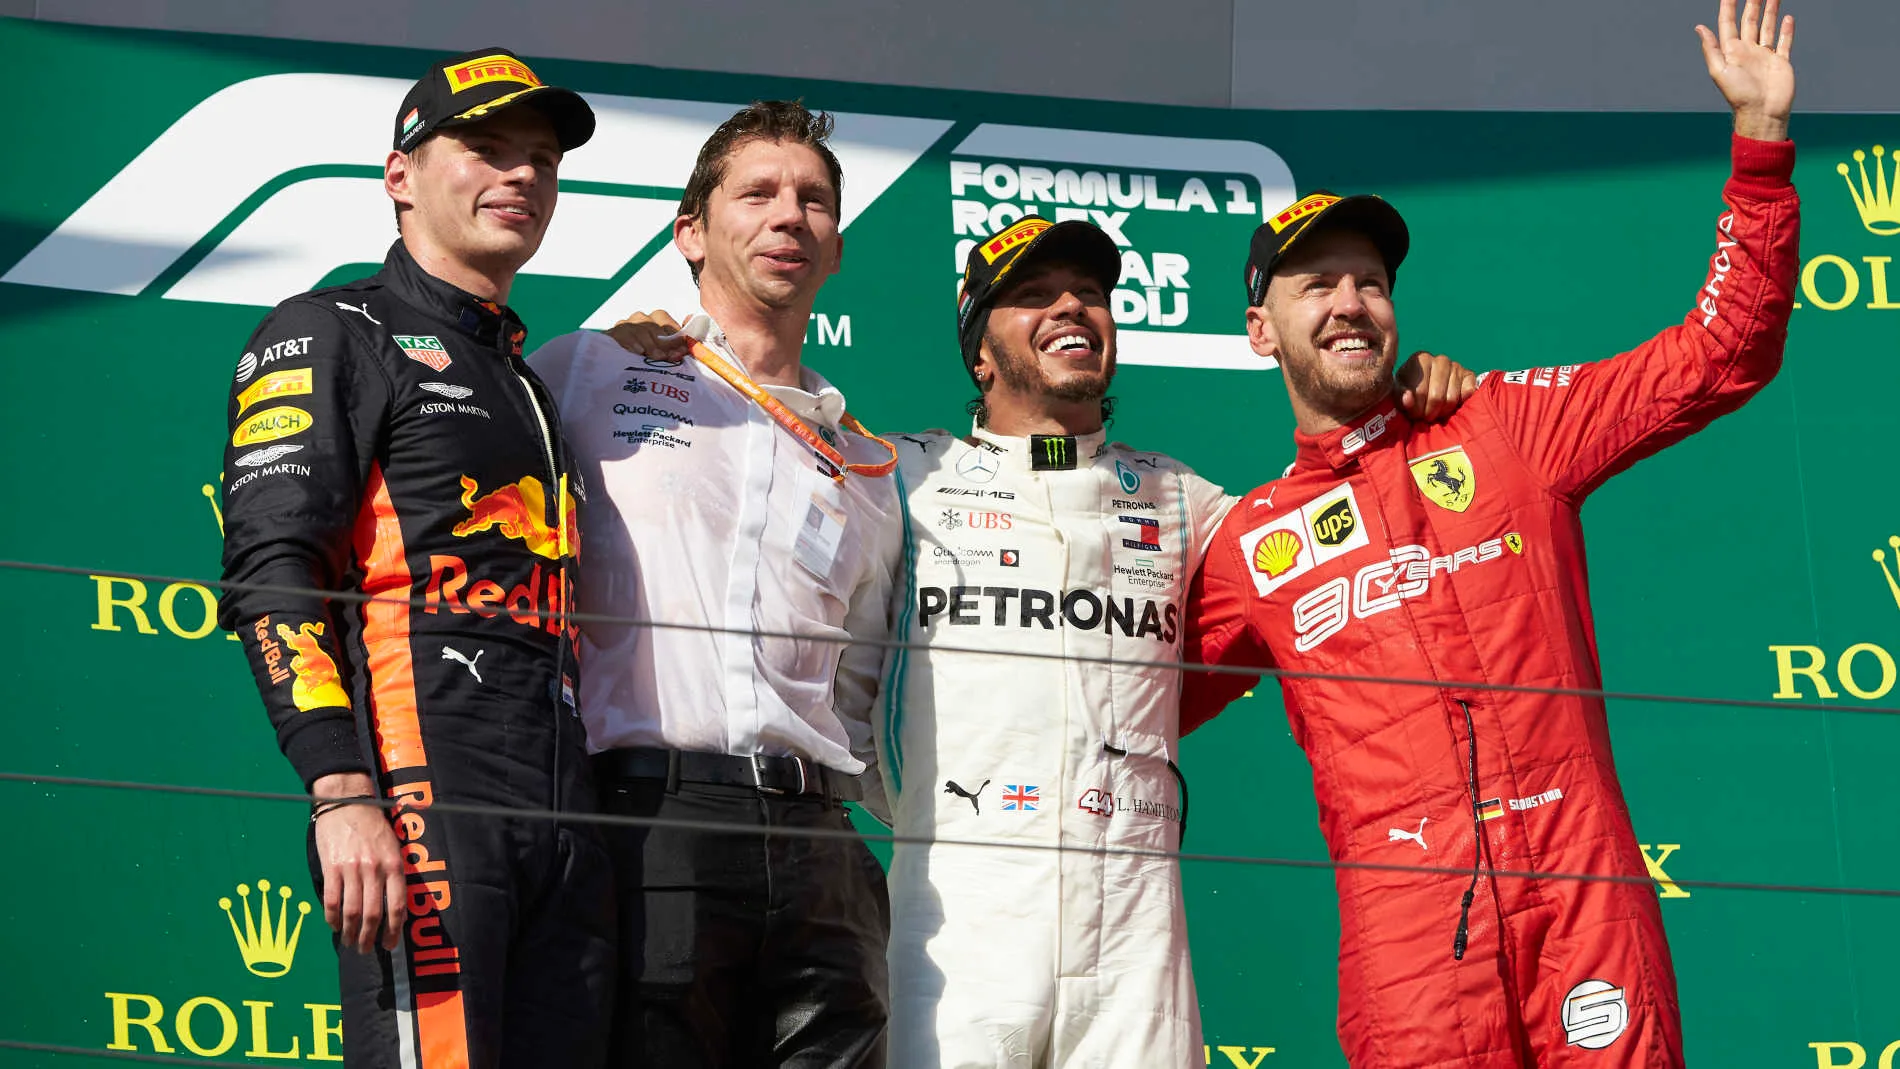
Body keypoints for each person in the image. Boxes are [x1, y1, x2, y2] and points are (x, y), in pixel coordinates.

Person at [1181, 3, 1799, 1065]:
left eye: (1370, 282)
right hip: (1412, 940)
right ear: (1258, 327)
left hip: (1582, 896)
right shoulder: (1250, 542)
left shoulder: (1505, 425)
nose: (1349, 303)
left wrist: (1759, 148)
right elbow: (1123, 701)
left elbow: (1721, 352)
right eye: (1315, 283)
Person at [874, 218, 1473, 1069]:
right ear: (978, 351)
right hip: (957, 917)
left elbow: (1324, 526)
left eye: (1089, 293)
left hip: (1136, 931)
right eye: (1035, 296)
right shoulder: (902, 479)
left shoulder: (1179, 497)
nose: (1071, 307)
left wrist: (1401, 412)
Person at [218, 47, 613, 1068]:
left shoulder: (530, 379)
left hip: (568, 820)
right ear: (399, 175)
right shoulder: (333, 330)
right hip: (424, 794)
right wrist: (341, 789)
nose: (521, 176)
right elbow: (271, 567)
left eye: (541, 160)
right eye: (485, 148)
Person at [527, 101, 901, 1069]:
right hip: (653, 819)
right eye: (758, 194)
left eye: (814, 200)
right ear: (689, 230)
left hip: (823, 843)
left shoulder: (868, 464)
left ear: (835, 247)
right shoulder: (586, 370)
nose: (789, 216)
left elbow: (859, 687)